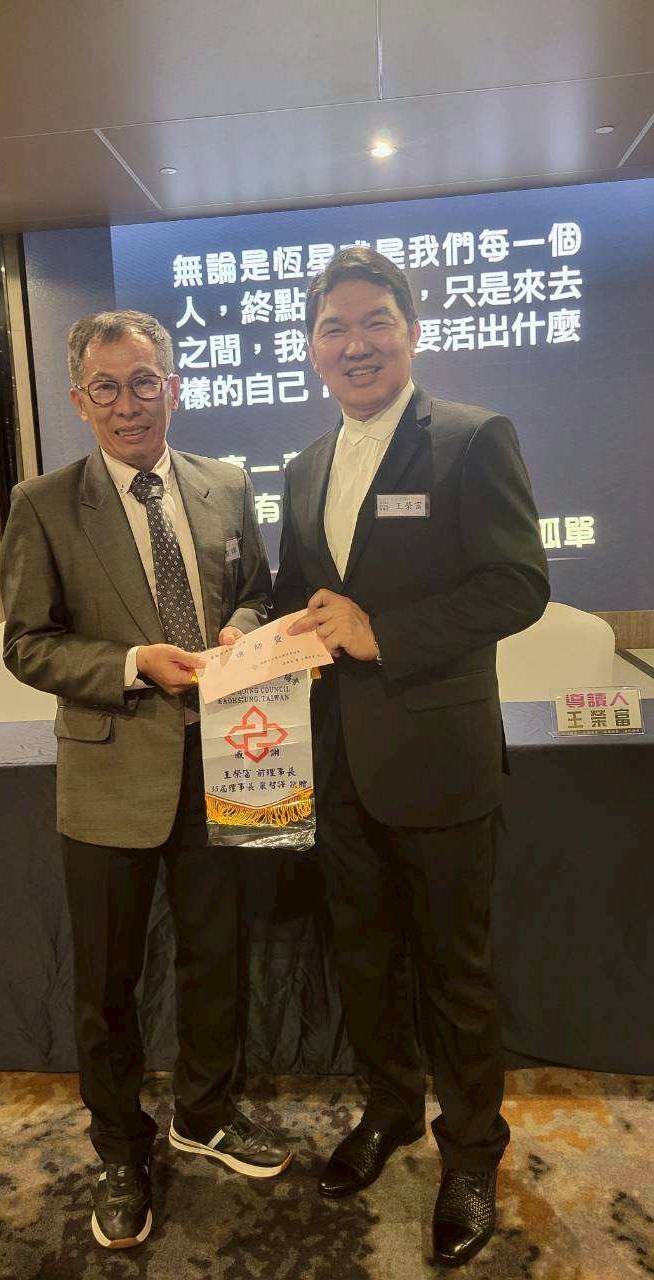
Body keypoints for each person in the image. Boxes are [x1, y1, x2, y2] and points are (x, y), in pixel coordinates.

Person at [275, 249, 549, 1268]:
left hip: (438, 760)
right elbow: (300, 595)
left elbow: (517, 584)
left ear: (412, 332)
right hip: (338, 763)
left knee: (454, 972)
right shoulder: (305, 465)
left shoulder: (473, 438)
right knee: (363, 954)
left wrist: (381, 632)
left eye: (374, 321)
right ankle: (389, 1107)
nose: (355, 344)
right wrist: (248, 635)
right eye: (334, 327)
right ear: (312, 350)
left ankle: (471, 1153)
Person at [0, 310, 291, 1251]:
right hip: (110, 774)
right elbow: (27, 644)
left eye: (144, 382)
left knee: (217, 960)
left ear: (175, 386)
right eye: (107, 388)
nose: (129, 405)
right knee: (107, 984)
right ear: (79, 401)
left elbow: (259, 590)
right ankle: (121, 1149)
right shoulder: (43, 503)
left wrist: (243, 628)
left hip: (229, 764)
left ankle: (204, 1114)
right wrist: (130, 664)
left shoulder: (226, 483)